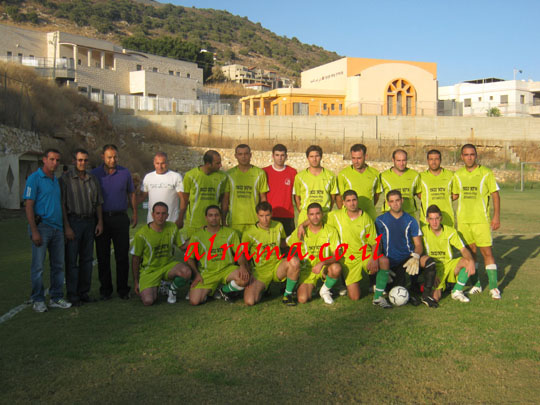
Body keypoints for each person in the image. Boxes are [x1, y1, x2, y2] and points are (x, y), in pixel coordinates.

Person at [24, 149, 72, 312]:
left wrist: (65, 226)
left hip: (57, 229)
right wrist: (34, 230)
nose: (55, 163)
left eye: (57, 160)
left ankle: (56, 297)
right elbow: (28, 205)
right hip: (42, 227)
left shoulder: (56, 181)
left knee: (58, 265)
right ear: (44, 160)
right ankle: (38, 299)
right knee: (38, 266)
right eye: (52, 159)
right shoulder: (34, 178)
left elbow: (60, 205)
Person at [452, 144, 501, 300]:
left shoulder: (486, 173)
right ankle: (477, 284)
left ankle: (494, 288)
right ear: (462, 156)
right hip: (463, 221)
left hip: (481, 221)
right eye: (466, 155)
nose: (469, 157)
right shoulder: (458, 175)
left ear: (476, 155)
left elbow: (495, 195)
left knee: (487, 252)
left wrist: (496, 216)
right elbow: (454, 195)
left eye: (472, 154)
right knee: (471, 254)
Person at [375, 190, 439, 308]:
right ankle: (410, 286)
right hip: (391, 262)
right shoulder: (380, 220)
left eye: (397, 200)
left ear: (402, 201)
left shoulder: (411, 220)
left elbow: (418, 245)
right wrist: (381, 264)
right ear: (388, 203)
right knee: (398, 288)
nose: (395, 204)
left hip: (408, 259)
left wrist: (416, 256)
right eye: (392, 201)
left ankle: (426, 296)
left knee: (430, 262)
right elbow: (377, 245)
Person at [327, 190, 391, 305]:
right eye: (348, 201)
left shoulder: (366, 218)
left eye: (354, 200)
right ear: (343, 203)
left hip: (365, 255)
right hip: (349, 259)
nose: (352, 203)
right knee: (354, 297)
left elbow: (375, 242)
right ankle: (376, 279)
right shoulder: (335, 216)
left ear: (357, 201)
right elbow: (316, 217)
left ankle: (378, 297)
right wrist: (302, 225)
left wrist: (374, 258)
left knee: (384, 261)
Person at [92, 144, 137, 300]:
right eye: (109, 157)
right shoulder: (95, 174)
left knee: (122, 255)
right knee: (103, 256)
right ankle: (105, 290)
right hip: (101, 219)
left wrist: (135, 213)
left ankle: (123, 289)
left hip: (120, 218)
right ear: (102, 157)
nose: (113, 160)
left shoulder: (125, 172)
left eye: (115, 157)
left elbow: (131, 193)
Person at [60, 148, 103, 306]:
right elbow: (62, 204)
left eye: (85, 160)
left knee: (87, 259)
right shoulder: (65, 179)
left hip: (89, 222)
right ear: (74, 161)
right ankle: (72, 294)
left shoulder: (92, 179)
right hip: (74, 222)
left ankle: (84, 292)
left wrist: (100, 222)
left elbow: (98, 202)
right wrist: (67, 226)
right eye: (80, 160)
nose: (82, 163)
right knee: (72, 260)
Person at [186, 205, 250, 305]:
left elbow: (239, 253)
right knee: (195, 301)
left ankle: (223, 290)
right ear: (206, 218)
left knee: (244, 279)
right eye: (210, 215)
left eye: (216, 215)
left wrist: (242, 266)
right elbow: (189, 258)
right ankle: (214, 289)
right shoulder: (197, 237)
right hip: (208, 273)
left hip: (227, 269)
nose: (214, 218)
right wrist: (196, 274)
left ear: (220, 216)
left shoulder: (231, 233)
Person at [131, 202, 192, 306]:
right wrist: (136, 281)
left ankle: (171, 289)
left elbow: (182, 246)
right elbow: (135, 259)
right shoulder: (142, 234)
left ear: (167, 215)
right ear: (152, 214)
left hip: (168, 266)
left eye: (163, 213)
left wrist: (197, 238)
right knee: (148, 301)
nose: (160, 216)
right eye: (158, 213)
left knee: (186, 272)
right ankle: (158, 286)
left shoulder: (172, 227)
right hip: (150, 271)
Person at [242, 202, 301, 306]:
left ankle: (287, 295)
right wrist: (245, 268)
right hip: (261, 272)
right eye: (261, 216)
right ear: (257, 215)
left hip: (277, 267)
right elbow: (242, 253)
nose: (265, 219)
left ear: (272, 214)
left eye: (267, 215)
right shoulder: (249, 232)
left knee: (294, 262)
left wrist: (295, 239)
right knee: (250, 301)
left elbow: (282, 243)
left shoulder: (278, 226)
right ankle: (264, 288)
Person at [286, 203, 342, 305]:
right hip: (307, 270)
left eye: (317, 213)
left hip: (324, 267)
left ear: (322, 214)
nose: (315, 217)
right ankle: (309, 287)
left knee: (336, 268)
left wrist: (322, 263)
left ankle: (324, 290)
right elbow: (289, 246)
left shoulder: (331, 231)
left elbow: (337, 255)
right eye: (311, 214)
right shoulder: (301, 231)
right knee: (302, 299)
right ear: (307, 216)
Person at [422, 205, 475, 303]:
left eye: (437, 218)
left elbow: (463, 249)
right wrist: (431, 273)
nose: (434, 222)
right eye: (431, 219)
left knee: (467, 261)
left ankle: (456, 291)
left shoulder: (450, 231)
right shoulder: (423, 232)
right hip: (433, 267)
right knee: (435, 298)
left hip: (448, 265)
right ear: (427, 220)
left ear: (441, 218)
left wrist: (471, 260)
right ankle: (446, 285)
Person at [181, 150, 229, 238]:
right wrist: (180, 218)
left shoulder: (223, 177)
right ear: (208, 164)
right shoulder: (190, 175)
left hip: (214, 223)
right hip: (194, 223)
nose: (221, 165)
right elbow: (184, 200)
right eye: (217, 163)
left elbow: (224, 201)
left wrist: (223, 221)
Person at [226, 144, 268, 235]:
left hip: (254, 220)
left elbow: (263, 198)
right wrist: (223, 219)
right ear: (235, 156)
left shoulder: (260, 173)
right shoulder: (229, 174)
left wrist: (263, 218)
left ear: (250, 155)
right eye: (240, 154)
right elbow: (225, 199)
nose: (243, 157)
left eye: (246, 154)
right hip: (235, 221)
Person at [294, 145, 339, 225]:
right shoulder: (299, 176)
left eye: (317, 156)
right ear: (307, 158)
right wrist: (302, 212)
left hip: (325, 215)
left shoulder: (330, 175)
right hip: (305, 215)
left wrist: (327, 210)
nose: (314, 159)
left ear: (321, 157)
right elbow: (297, 197)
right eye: (311, 156)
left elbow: (333, 197)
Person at [336, 144, 381, 221]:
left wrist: (368, 206)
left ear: (365, 156)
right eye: (353, 158)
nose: (356, 161)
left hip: (369, 216)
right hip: (350, 218)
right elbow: (339, 198)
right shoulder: (343, 174)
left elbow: (377, 195)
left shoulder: (375, 174)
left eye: (359, 158)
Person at [140, 152, 185, 228]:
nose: (160, 166)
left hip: (171, 222)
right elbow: (141, 197)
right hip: (152, 222)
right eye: (157, 163)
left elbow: (183, 198)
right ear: (154, 163)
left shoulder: (176, 177)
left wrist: (180, 218)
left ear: (167, 163)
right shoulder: (148, 177)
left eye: (162, 163)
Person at [263, 144, 297, 236]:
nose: (280, 158)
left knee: (288, 242)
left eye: (282, 155)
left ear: (286, 156)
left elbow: (296, 195)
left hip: (287, 214)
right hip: (270, 214)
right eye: (277, 155)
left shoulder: (292, 172)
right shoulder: (265, 172)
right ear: (272, 156)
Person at [417, 149, 455, 226]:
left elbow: (455, 194)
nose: (434, 162)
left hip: (447, 219)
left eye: (436, 159)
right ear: (427, 160)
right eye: (431, 159)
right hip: (427, 220)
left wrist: (445, 198)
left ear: (440, 160)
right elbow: (419, 194)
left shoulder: (450, 175)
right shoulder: (421, 177)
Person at [380, 149, 420, 216]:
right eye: (398, 160)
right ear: (393, 160)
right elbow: (376, 195)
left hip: (409, 215)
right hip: (390, 216)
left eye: (404, 160)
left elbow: (420, 194)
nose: (401, 163)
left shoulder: (415, 175)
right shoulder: (383, 176)